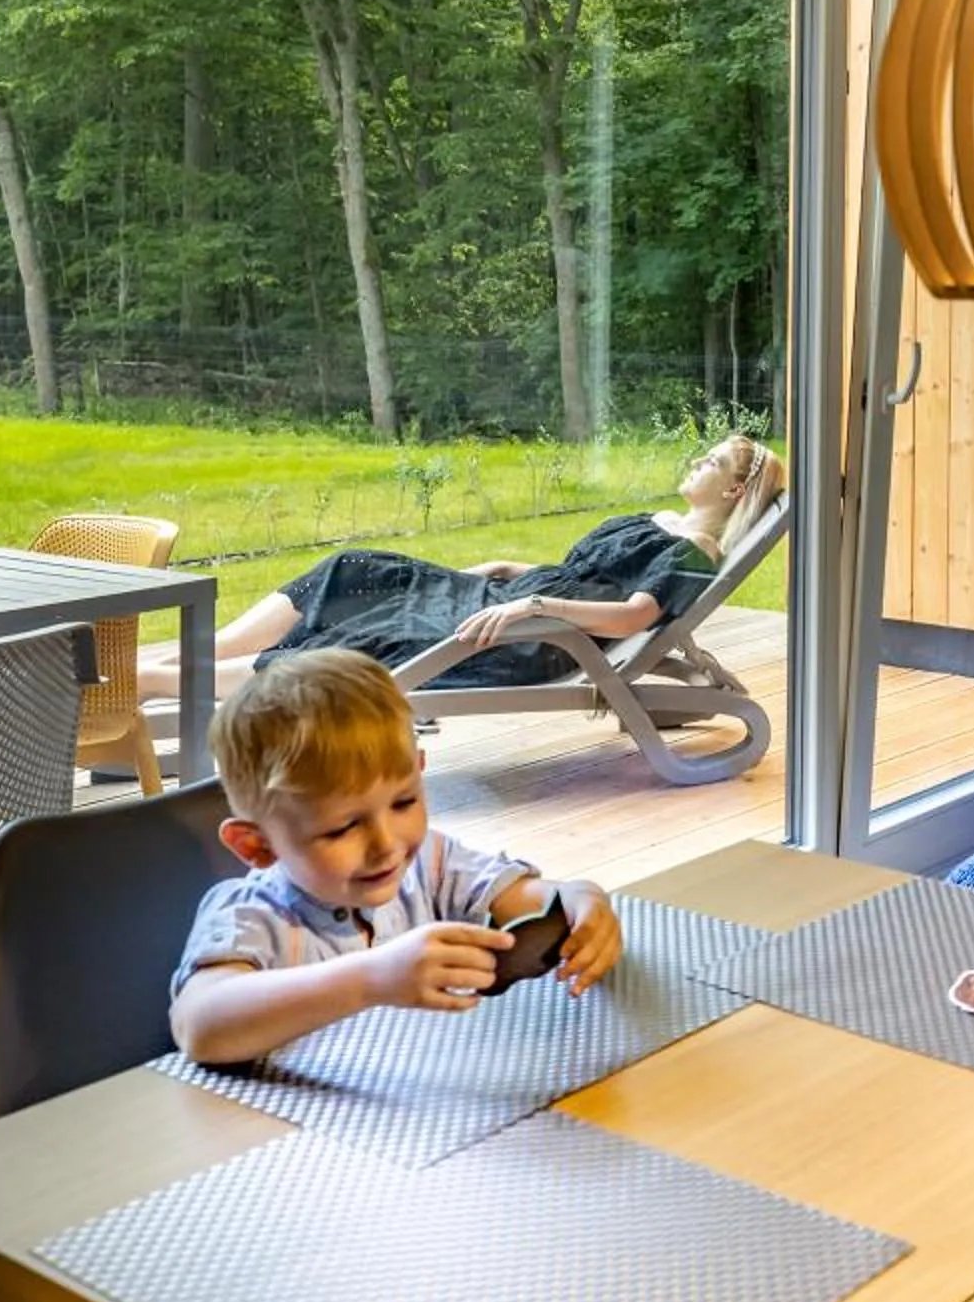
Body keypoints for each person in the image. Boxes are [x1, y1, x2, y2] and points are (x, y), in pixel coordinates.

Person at [169, 647, 621, 1063]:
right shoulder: (251, 915)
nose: (386, 844)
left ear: (420, 771)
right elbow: (200, 1028)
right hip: (288, 1119)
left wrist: (579, 899)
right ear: (257, 846)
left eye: (404, 802)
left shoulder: (430, 863)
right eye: (343, 828)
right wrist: (370, 979)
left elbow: (525, 901)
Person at [138, 435, 784, 701]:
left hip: (532, 639)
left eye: (710, 463)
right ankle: (198, 655)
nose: (695, 462)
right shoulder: (658, 521)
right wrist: (513, 567)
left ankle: (155, 682)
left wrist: (535, 605)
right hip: (511, 600)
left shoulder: (695, 553)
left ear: (733, 491)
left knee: (375, 637)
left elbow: (632, 615)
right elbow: (586, 572)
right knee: (360, 569)